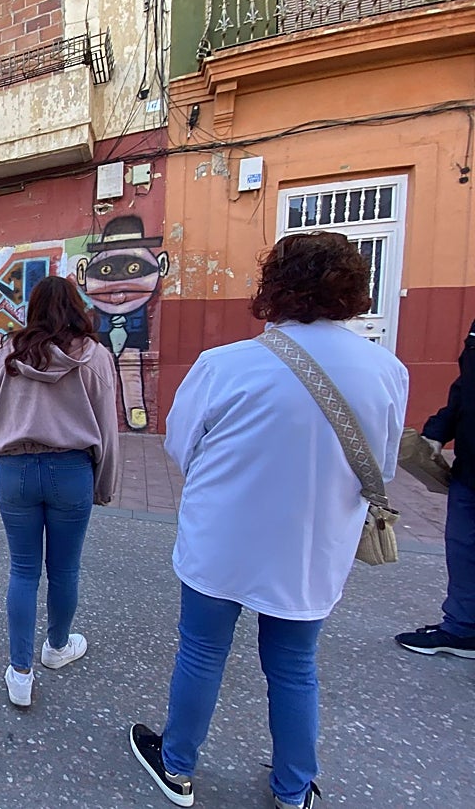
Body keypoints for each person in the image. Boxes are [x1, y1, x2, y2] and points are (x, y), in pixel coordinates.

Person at [130, 233, 408, 809]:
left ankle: (177, 766)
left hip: (222, 538)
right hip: (313, 545)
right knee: (295, 666)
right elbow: (381, 468)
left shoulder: (224, 364)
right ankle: (293, 788)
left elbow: (180, 446)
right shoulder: (386, 370)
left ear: (273, 288)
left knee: (202, 651)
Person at [0, 275, 120, 707]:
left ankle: (20, 672)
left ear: (33, 308)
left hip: (15, 467)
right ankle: (57, 648)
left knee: (23, 571)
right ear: (76, 307)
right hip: (71, 470)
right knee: (64, 570)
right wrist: (105, 482)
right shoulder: (95, 357)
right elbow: (107, 426)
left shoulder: (8, 353)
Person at [395, 318, 475, 658]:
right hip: (471, 466)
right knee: (463, 548)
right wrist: (439, 429)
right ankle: (462, 629)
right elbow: (467, 384)